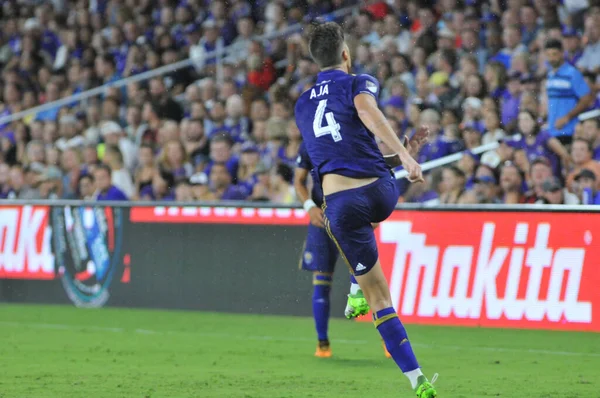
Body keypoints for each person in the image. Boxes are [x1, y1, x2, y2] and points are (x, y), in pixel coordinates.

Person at [294, 22, 436, 397]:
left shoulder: (303, 105)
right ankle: (357, 288)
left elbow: (334, 153)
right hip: (382, 192)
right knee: (362, 216)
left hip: (341, 204)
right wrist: (405, 154)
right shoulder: (358, 81)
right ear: (346, 54)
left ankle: (417, 380)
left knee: (379, 299)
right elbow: (369, 114)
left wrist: (401, 152)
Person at [544, 39, 594, 143]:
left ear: (562, 53)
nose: (552, 58)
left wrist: (567, 117)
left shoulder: (572, 73)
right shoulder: (550, 75)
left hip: (569, 130)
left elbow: (586, 98)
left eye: (555, 54)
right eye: (548, 55)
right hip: (552, 130)